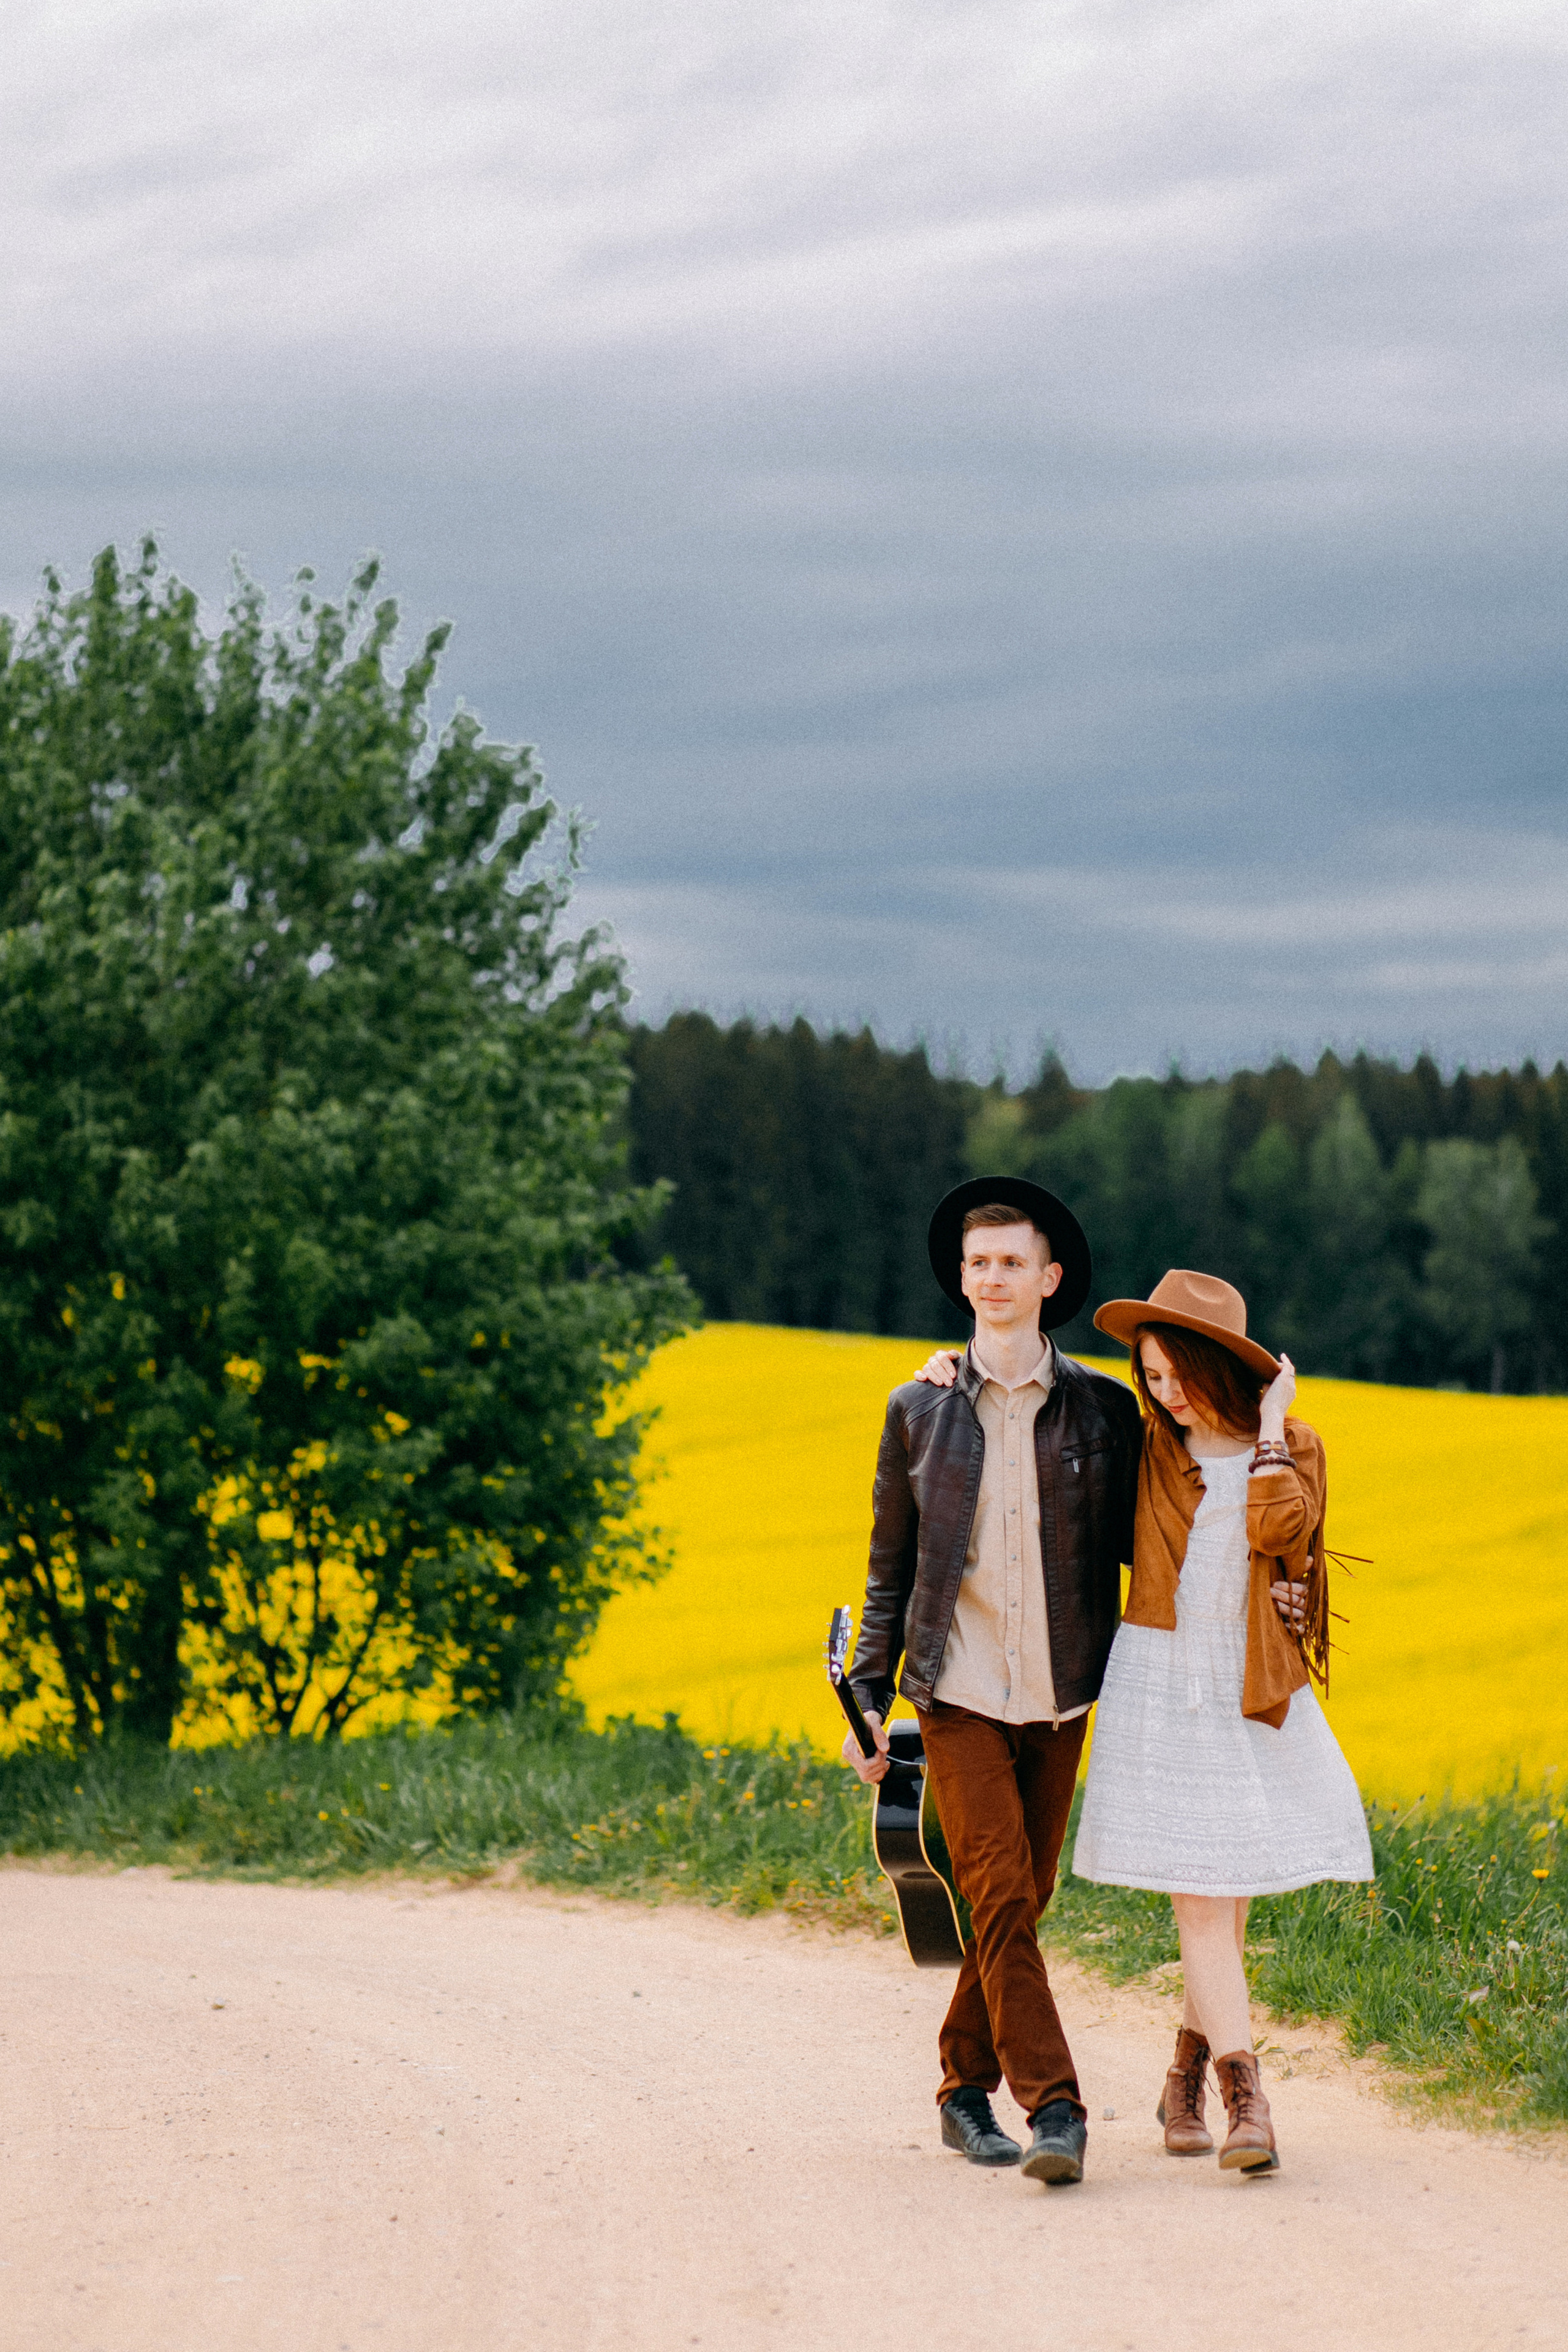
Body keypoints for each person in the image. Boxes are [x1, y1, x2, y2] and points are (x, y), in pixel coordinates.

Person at [843, 1177, 1141, 2188]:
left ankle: (962, 2089)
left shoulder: (1104, 1410)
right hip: (958, 1690)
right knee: (999, 1890)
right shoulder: (918, 1409)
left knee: (1026, 1894)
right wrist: (869, 1700)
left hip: (1062, 1693)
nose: (994, 1278)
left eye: (1014, 1262)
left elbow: (1154, 1540)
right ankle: (1056, 2110)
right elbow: (889, 1570)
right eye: (979, 1263)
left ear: (1050, 1279)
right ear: (962, 1280)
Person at [1072, 1270, 1374, 2176]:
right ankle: (1249, 2101)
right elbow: (1046, 1404)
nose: (1165, 1394)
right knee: (1203, 1900)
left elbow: (1283, 1536)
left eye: (1179, 1375)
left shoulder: (1297, 1445)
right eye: (1151, 1376)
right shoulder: (1145, 1446)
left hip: (1249, 1683)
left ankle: (1182, 2081)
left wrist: (1272, 1425)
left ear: (1220, 1366)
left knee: (1227, 1899)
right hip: (1163, 1681)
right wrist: (951, 1367)